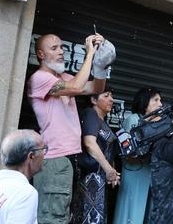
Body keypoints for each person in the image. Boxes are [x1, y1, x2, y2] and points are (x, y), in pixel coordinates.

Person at [27, 32, 109, 224]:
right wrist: (89, 54)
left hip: (69, 158)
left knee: (63, 217)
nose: (61, 51)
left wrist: (101, 62)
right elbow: (77, 87)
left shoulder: (64, 77)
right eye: (54, 48)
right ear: (40, 54)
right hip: (54, 159)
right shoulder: (39, 78)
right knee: (52, 219)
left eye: (62, 47)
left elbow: (96, 88)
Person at [113, 87, 162, 224]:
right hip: (135, 172)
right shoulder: (134, 119)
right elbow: (130, 150)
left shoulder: (156, 122)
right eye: (156, 100)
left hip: (148, 173)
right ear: (144, 102)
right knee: (131, 212)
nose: (160, 104)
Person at [72, 88, 119, 223]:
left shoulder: (101, 121)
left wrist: (112, 172)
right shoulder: (90, 114)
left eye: (111, 95)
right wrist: (108, 169)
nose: (111, 99)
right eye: (106, 96)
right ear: (93, 100)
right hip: (90, 177)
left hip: (99, 179)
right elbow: (89, 143)